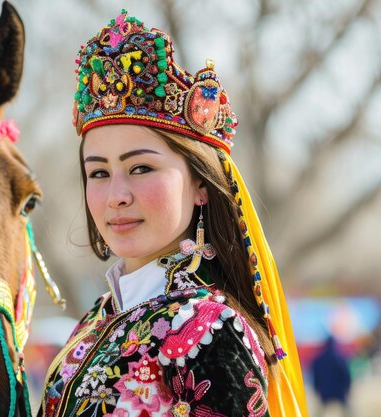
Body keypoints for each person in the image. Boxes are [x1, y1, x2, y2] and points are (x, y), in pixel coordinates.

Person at [40, 9, 307, 417]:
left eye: (141, 168)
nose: (116, 196)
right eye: (98, 172)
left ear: (201, 185)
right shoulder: (94, 321)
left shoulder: (211, 330)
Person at [311, 336, 351, 416]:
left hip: (324, 391)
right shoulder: (340, 359)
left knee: (319, 412)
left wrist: (317, 388)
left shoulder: (318, 360)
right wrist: (347, 388)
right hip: (339, 391)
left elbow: (315, 376)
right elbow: (346, 375)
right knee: (348, 411)